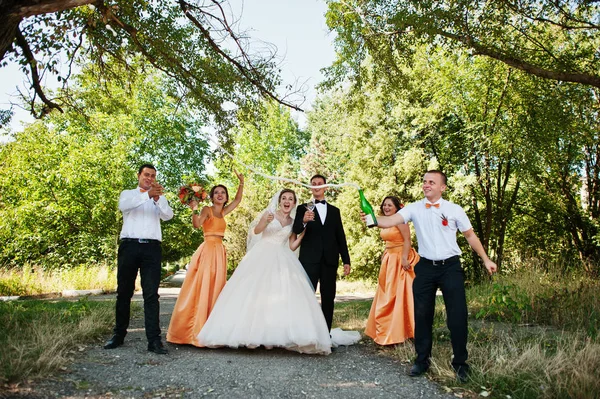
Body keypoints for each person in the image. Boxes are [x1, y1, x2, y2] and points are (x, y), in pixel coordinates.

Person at [362, 170, 497, 382]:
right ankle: (422, 360)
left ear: (442, 187)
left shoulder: (454, 209)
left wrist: (486, 259)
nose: (426, 185)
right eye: (424, 182)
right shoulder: (414, 208)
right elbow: (389, 221)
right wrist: (371, 218)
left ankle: (460, 363)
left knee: (457, 315)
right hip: (424, 267)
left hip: (450, 267)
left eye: (431, 182)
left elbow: (470, 235)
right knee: (422, 316)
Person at [198, 189, 349, 354]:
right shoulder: (270, 214)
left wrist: (302, 235)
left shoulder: (293, 222)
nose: (287, 201)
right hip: (262, 254)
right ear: (280, 201)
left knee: (280, 296)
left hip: (282, 257)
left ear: (294, 203)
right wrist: (265, 221)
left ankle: (272, 336)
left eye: (290, 199)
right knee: (256, 294)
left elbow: (291, 246)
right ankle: (250, 335)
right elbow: (256, 231)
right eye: (284, 198)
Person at [166, 171, 244, 347]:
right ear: (212, 196)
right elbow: (196, 224)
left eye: (223, 193)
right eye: (216, 192)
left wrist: (241, 182)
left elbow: (238, 201)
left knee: (217, 287)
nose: (220, 194)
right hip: (208, 250)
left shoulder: (223, 211)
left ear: (225, 197)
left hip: (219, 251)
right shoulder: (207, 209)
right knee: (203, 286)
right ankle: (194, 331)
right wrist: (194, 208)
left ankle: (213, 329)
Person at [104, 163, 174, 354]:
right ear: (139, 176)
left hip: (152, 248)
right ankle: (118, 335)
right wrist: (147, 195)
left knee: (151, 295)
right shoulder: (128, 194)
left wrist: (158, 199)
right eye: (146, 175)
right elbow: (123, 206)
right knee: (124, 292)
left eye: (152, 176)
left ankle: (154, 340)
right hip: (130, 246)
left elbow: (168, 216)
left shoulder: (159, 198)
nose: (149, 178)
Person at [292, 174, 351, 332]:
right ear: (311, 187)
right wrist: (304, 220)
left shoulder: (335, 211)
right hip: (309, 259)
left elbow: (340, 237)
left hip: (330, 261)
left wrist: (346, 260)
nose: (316, 186)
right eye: (313, 184)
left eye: (319, 184)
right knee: (307, 296)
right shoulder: (302, 208)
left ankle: (326, 334)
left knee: (328, 298)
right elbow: (296, 230)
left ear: (325, 187)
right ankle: (305, 332)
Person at [365, 196, 420, 346]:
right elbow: (373, 222)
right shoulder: (384, 220)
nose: (386, 207)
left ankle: (406, 332)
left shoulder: (401, 220)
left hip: (401, 258)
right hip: (389, 259)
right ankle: (386, 330)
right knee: (387, 294)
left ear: (397, 207)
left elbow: (407, 240)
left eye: (390, 205)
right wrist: (367, 215)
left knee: (401, 295)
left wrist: (403, 258)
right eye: (384, 205)